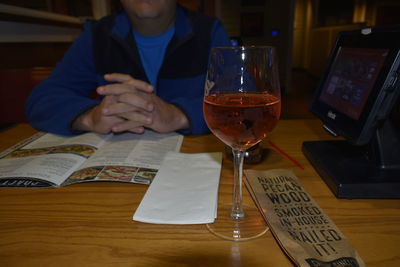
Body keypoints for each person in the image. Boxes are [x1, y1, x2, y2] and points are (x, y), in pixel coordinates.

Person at [25, 0, 231, 136]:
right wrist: (90, 117)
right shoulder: (96, 35)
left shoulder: (210, 31)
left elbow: (242, 97)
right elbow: (43, 100)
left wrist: (178, 115)